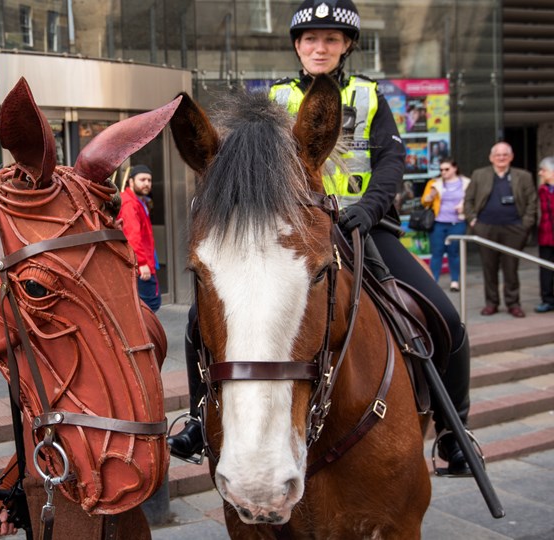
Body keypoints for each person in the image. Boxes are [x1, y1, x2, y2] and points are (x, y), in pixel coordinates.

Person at [169, 0, 475, 477]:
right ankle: (195, 418)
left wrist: (368, 210)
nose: (319, 47)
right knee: (196, 323)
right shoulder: (271, 97)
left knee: (446, 317)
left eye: (331, 39)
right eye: (310, 39)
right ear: (297, 44)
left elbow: (392, 163)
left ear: (347, 46)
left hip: (362, 228)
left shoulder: (372, 97)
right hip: (288, 234)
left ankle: (455, 432)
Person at [463, 142, 538, 318]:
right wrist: (474, 221)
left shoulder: (523, 176)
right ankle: (491, 303)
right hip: (486, 229)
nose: (501, 158)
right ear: (491, 158)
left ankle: (513, 303)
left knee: (511, 268)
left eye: (505, 155)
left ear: (511, 157)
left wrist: (525, 225)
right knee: (489, 268)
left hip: (514, 229)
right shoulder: (479, 174)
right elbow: (468, 200)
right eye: (498, 155)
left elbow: (532, 202)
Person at [421, 158, 471, 291]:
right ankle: (433, 282)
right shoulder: (434, 183)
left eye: (447, 169)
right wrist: (430, 196)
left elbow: (472, 200)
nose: (443, 172)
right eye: (441, 169)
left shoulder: (466, 183)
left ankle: (455, 281)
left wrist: (464, 208)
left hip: (457, 222)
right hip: (438, 223)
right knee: (437, 253)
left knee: (454, 253)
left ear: (455, 168)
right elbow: (424, 202)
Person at [118, 165, 161, 312]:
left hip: (145, 261)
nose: (146, 183)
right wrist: (142, 263)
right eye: (142, 180)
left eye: (149, 180)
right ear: (131, 182)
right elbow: (132, 236)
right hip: (141, 265)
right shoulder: (129, 203)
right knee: (149, 306)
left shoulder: (139, 201)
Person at [536, 156, 554, 313]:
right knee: (545, 270)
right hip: (546, 236)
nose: (540, 173)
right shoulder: (541, 190)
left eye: (544, 170)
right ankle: (547, 299)